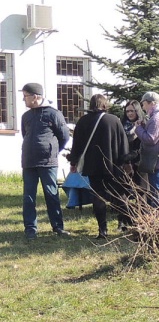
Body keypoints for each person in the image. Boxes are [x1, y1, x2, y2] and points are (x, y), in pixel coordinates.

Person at [69, 94, 131, 238]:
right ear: (105, 104)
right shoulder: (114, 120)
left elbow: (76, 144)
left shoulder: (83, 121)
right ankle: (124, 224)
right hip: (114, 165)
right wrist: (126, 162)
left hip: (93, 166)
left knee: (98, 196)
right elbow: (123, 143)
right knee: (120, 194)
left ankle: (102, 230)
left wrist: (73, 162)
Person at [20, 83, 71, 239]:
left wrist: (52, 150)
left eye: (25, 96)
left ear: (35, 97)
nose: (23, 100)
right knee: (29, 196)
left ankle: (58, 227)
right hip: (29, 161)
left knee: (51, 194)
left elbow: (64, 136)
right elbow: (25, 135)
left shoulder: (53, 114)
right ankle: (30, 228)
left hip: (48, 161)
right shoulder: (26, 116)